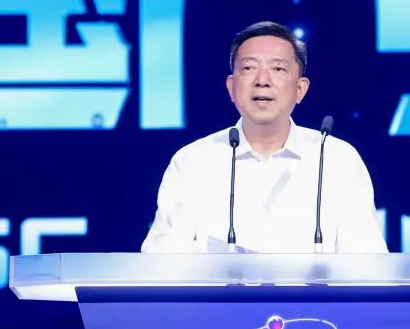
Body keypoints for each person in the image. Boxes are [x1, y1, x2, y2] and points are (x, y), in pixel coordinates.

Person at [141, 21, 388, 254]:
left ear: (300, 89)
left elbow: (367, 259)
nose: (262, 81)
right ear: (231, 87)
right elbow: (161, 253)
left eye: (278, 69)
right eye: (249, 68)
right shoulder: (193, 161)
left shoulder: (337, 159)